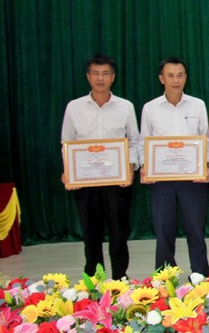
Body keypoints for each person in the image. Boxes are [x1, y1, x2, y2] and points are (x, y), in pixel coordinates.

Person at [60, 53, 141, 278]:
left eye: (105, 73)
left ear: (113, 77)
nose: (100, 78)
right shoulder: (74, 108)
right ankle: (94, 280)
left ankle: (120, 279)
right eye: (95, 73)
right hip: (85, 182)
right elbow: (67, 143)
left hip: (117, 182)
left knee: (119, 233)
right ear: (88, 77)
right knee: (90, 233)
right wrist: (68, 171)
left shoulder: (125, 107)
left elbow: (134, 141)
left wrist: (130, 168)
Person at [139, 57, 209, 275]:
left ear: (186, 78)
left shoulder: (198, 105)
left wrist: (206, 165)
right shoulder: (150, 108)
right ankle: (165, 279)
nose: (176, 80)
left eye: (180, 75)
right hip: (162, 181)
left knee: (196, 231)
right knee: (164, 233)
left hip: (193, 180)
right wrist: (145, 167)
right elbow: (144, 142)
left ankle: (200, 277)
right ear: (162, 79)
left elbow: (205, 139)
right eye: (170, 76)